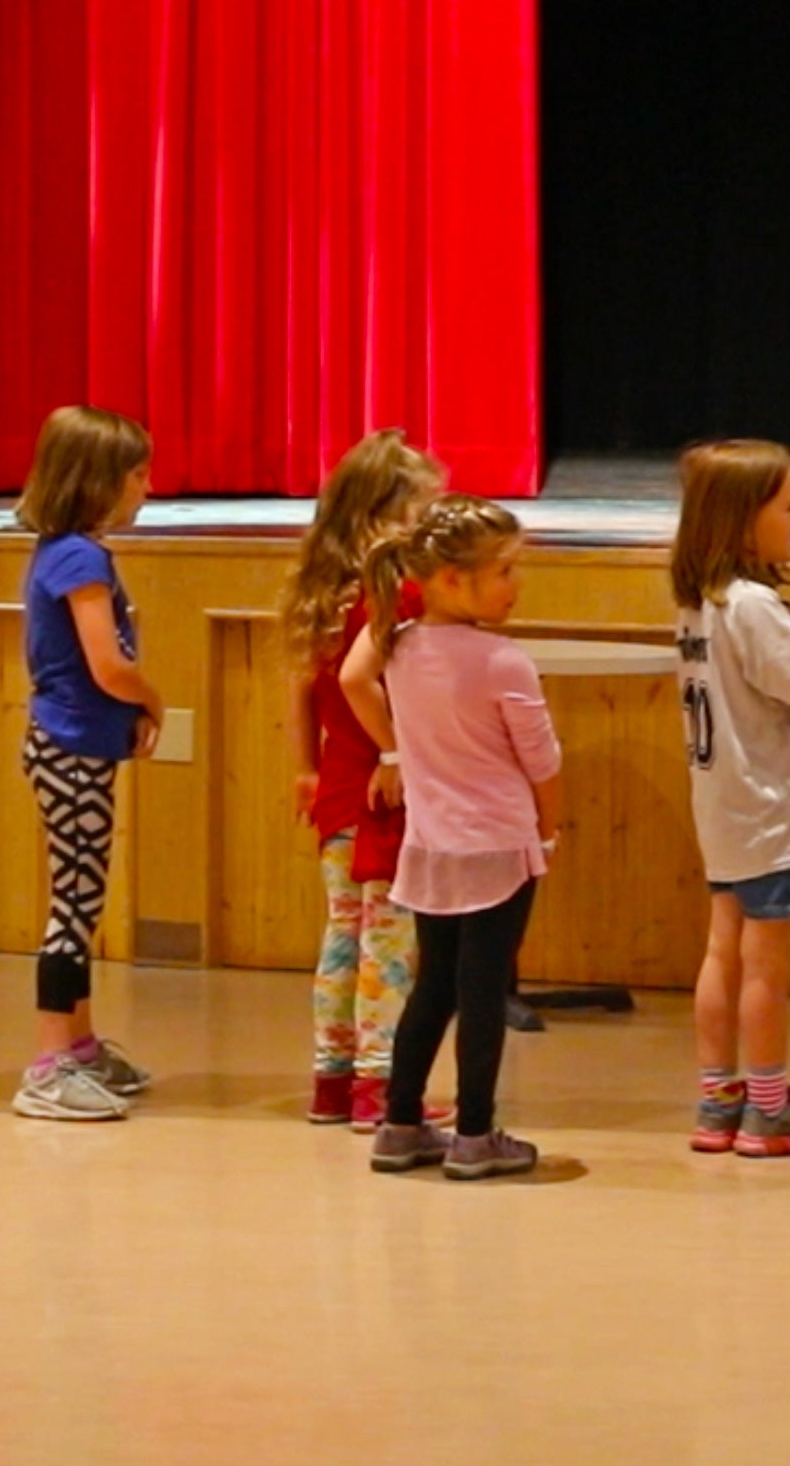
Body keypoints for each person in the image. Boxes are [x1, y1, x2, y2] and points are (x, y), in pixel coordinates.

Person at [351, 496, 564, 1180]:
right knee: (481, 993)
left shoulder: (400, 644)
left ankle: (398, 1123)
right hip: (498, 845)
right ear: (448, 579)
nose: (515, 584)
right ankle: (474, 1132)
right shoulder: (503, 659)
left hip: (432, 847)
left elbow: (351, 676)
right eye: (502, 571)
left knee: (432, 986)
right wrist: (549, 833)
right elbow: (543, 764)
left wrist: (393, 753)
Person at [670, 440, 790, 1157]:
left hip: (722, 805)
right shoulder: (753, 606)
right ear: (744, 520)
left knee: (723, 949)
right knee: (765, 959)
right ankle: (768, 1105)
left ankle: (718, 1101)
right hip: (768, 805)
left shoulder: (699, 602)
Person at [276, 428, 453, 1130]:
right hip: (383, 788)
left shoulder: (320, 587)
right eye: (420, 509)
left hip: (337, 786)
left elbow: (300, 689)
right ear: (385, 512)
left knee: (343, 935)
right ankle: (379, 1083)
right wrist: (395, 752)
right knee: (389, 941)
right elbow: (360, 684)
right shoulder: (393, 592)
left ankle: (332, 1077)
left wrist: (305, 769)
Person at [10, 406, 162, 1121]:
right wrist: (152, 699)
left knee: (83, 897)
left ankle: (79, 1046)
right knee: (72, 907)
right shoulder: (80, 558)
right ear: (100, 480)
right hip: (71, 749)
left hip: (77, 747)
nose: (146, 487)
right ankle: (47, 1064)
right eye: (137, 474)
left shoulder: (69, 550)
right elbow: (108, 664)